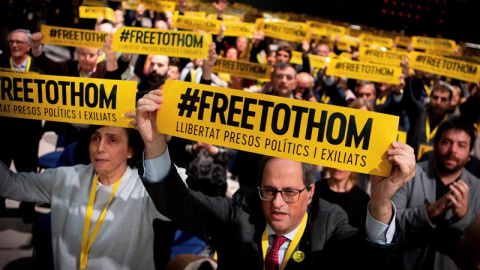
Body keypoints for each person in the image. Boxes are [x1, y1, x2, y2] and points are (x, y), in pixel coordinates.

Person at [135, 86, 417, 269]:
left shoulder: (330, 223)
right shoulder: (242, 208)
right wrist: (155, 145)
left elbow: (369, 259)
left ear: (310, 193)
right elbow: (177, 204)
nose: (278, 203)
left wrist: (381, 201)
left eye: (290, 192)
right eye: (269, 190)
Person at [0, 125, 173, 269]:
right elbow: (10, 184)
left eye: (112, 140)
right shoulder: (66, 178)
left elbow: (174, 204)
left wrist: (156, 144)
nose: (100, 148)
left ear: (130, 150)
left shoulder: (145, 188)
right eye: (95, 138)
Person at [391, 116, 480, 270]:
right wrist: (429, 212)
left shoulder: (478, 188)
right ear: (435, 145)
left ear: (469, 154)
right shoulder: (409, 174)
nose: (453, 150)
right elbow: (390, 222)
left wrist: (464, 217)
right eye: (447, 142)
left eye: (462, 145)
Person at [0, 28, 43, 221]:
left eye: (18, 42)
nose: (14, 45)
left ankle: (27, 209)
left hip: (28, 133)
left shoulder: (38, 67)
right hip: (4, 131)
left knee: (28, 172)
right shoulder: (1, 65)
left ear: (28, 45)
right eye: (11, 42)